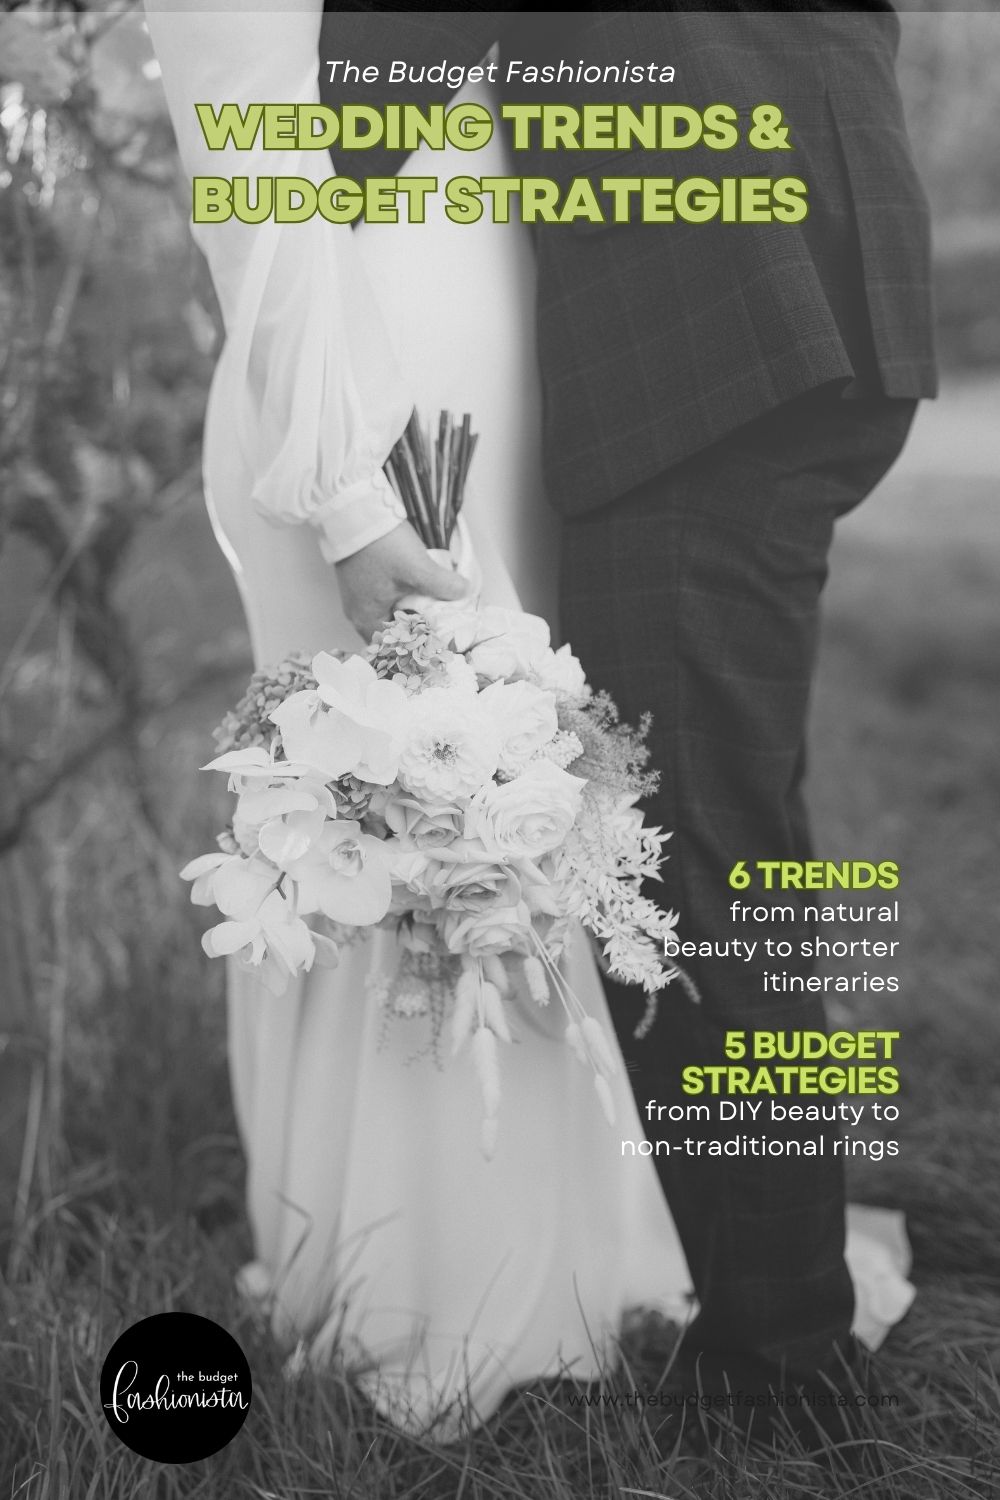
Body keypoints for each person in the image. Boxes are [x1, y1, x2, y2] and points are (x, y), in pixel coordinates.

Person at [146, 0, 921, 1440]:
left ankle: (770, 1347)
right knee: (531, 814)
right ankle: (468, 1266)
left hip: (640, 326)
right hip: (437, 345)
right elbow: (239, 113)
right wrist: (350, 483)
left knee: (670, 825)